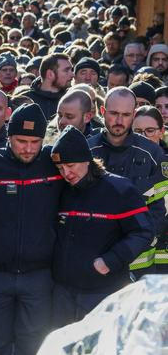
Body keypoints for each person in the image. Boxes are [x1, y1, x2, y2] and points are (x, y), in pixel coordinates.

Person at [0, 104, 62, 355]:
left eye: (34, 142)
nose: (28, 148)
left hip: (38, 275)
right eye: (21, 141)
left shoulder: (53, 166)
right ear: (9, 137)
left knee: (33, 347)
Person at [51, 126, 153, 324]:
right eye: (60, 168)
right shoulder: (63, 190)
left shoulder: (119, 189)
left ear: (87, 160)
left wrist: (111, 260)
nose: (66, 173)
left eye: (70, 165)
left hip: (103, 291)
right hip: (63, 293)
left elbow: (143, 231)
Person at [88, 87, 168, 275]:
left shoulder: (154, 154)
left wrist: (132, 245)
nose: (119, 121)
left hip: (139, 262)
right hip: (96, 260)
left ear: (133, 114)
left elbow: (160, 210)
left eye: (125, 115)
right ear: (102, 112)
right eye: (114, 113)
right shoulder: (87, 151)